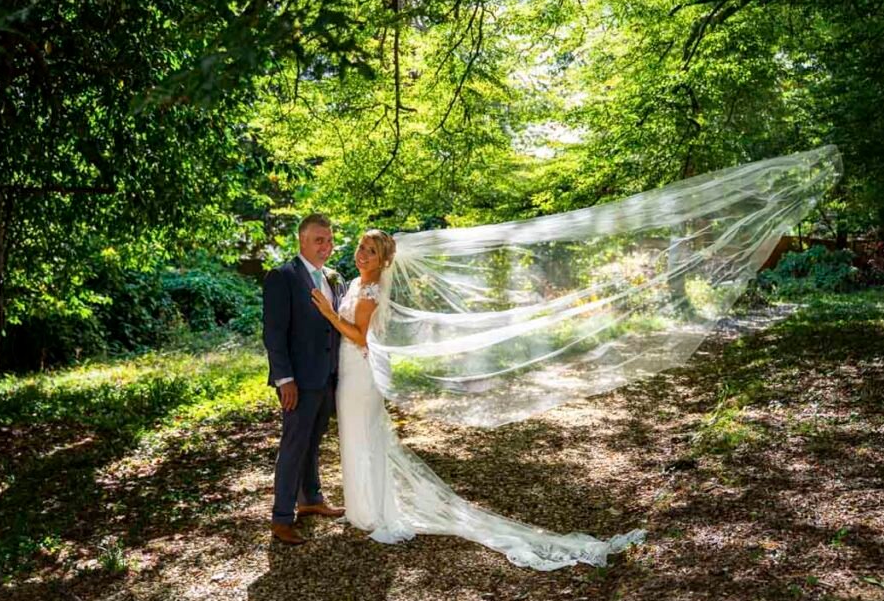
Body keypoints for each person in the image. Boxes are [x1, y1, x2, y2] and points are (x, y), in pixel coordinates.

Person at [310, 229, 644, 570]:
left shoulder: (371, 289)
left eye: (371, 251)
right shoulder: (354, 284)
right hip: (349, 371)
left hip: (361, 375)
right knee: (357, 438)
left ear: (383, 260)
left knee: (364, 438)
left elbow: (361, 338)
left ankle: (372, 513)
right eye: (362, 247)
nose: (362, 254)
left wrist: (329, 313)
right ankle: (361, 508)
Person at [263, 214, 347, 545]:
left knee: (313, 443)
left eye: (329, 240)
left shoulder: (333, 277)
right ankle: (282, 518)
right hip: (297, 379)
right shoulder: (282, 277)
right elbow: (274, 334)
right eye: (318, 240)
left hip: (327, 376)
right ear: (302, 241)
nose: (326, 246)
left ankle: (310, 498)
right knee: (294, 446)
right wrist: (285, 380)